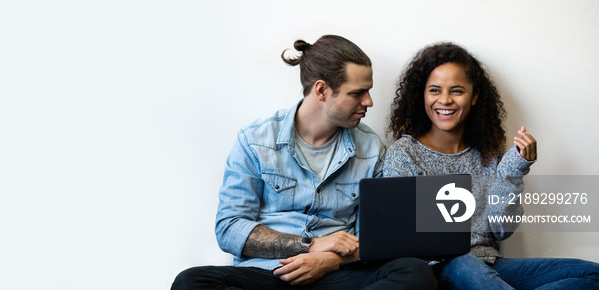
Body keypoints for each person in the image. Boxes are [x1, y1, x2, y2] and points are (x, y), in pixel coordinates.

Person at [171, 35, 437, 289]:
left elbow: (376, 237)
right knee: (192, 281)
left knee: (415, 272)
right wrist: (309, 245)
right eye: (358, 93)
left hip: (337, 274)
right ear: (322, 90)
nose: (369, 101)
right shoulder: (255, 140)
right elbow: (230, 228)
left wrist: (331, 260)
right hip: (266, 274)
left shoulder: (370, 148)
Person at [384, 42, 599, 290]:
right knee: (464, 263)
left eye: (457, 90)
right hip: (441, 269)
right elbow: (402, 236)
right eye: (435, 90)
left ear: (475, 95)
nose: (445, 100)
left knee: (594, 275)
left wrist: (513, 170)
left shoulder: (489, 155)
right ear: (422, 95)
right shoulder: (404, 154)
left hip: (489, 265)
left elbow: (502, 229)